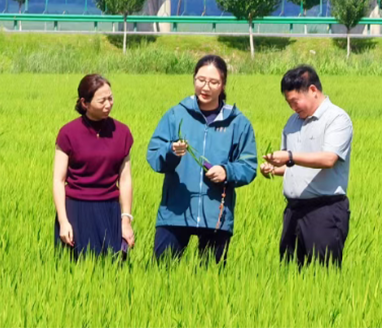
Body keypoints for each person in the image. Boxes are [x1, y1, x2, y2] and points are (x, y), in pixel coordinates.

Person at [147, 55, 257, 264]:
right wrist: (171, 151)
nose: (205, 87)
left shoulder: (237, 122)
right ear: (194, 79)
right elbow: (154, 155)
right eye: (201, 80)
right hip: (175, 212)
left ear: (223, 84)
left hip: (216, 216)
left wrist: (227, 171)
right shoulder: (176, 115)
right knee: (161, 273)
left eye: (213, 82)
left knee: (211, 278)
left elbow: (249, 165)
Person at [261, 65, 353, 268]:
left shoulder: (337, 119)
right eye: (289, 103)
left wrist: (289, 156)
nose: (293, 107)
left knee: (323, 275)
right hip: (293, 211)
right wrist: (274, 169)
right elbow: (293, 165)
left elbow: (328, 159)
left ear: (313, 90)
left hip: (324, 211)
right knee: (290, 274)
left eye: (295, 101)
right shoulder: (292, 122)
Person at [53, 74, 135, 259]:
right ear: (85, 103)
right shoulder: (68, 133)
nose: (108, 104)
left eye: (110, 98)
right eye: (102, 100)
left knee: (112, 267)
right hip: (76, 211)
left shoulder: (122, 132)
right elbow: (58, 180)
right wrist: (63, 221)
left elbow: (125, 179)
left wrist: (126, 220)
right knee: (74, 267)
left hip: (109, 210)